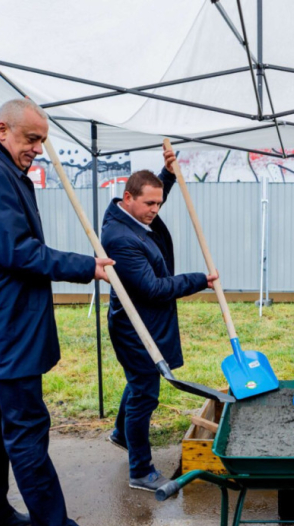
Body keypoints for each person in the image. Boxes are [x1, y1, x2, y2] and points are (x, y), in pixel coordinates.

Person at [0, 98, 118, 526]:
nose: (37, 149)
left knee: (0, 429)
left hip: (4, 329)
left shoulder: (8, 172)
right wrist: (87, 266)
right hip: (9, 332)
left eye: (42, 141)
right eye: (31, 139)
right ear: (2, 129)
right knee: (27, 433)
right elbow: (20, 252)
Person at [101, 153, 218, 492]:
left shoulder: (131, 217)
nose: (155, 209)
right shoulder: (121, 239)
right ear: (128, 198)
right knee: (145, 394)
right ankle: (140, 470)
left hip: (145, 320)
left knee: (140, 380)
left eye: (159, 202)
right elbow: (152, 289)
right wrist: (199, 280)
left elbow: (151, 193)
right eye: (149, 203)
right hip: (134, 326)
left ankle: (122, 433)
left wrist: (166, 174)